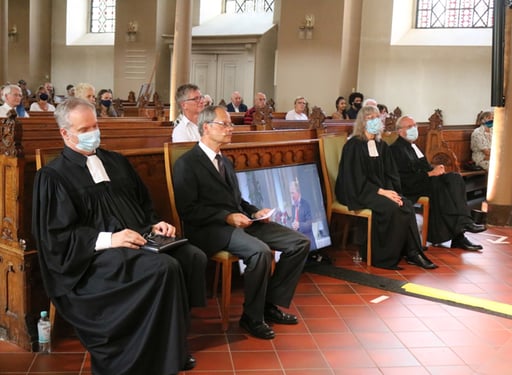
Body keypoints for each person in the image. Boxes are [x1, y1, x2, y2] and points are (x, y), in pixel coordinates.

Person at [31, 97, 207, 374]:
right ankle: (153, 353)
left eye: (95, 126)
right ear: (65, 133)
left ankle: (172, 345)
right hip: (90, 258)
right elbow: (56, 238)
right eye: (85, 129)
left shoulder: (115, 162)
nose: (94, 134)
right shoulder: (53, 177)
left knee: (190, 256)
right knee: (164, 268)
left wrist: (154, 225)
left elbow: (141, 205)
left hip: (136, 239)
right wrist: (109, 240)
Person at [173, 105, 310, 340]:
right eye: (224, 124)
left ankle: (270, 304)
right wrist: (226, 217)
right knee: (260, 252)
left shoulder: (225, 161)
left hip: (240, 222)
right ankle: (252, 317)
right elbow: (188, 210)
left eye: (230, 124)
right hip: (210, 229)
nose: (230, 128)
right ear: (206, 127)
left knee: (299, 243)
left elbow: (237, 200)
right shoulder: (187, 163)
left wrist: (256, 212)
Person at [335, 105, 437, 270]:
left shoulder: (381, 145)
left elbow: (391, 174)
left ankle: (412, 252)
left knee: (405, 204)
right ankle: (383, 257)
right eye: (370, 118)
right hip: (356, 190)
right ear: (362, 122)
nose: (374, 121)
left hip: (379, 190)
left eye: (377, 117)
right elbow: (354, 178)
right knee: (391, 207)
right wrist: (382, 192)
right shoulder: (353, 145)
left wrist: (392, 191)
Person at [390, 115, 486, 251]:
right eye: (410, 127)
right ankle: (460, 232)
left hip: (425, 181)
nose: (414, 129)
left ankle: (464, 225)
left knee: (455, 178)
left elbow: (424, 166)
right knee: (442, 188)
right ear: (400, 131)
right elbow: (402, 178)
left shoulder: (414, 147)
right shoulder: (395, 149)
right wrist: (429, 174)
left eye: (415, 126)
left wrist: (436, 169)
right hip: (411, 186)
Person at [289, 180, 317, 249]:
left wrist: (299, 225)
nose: (291, 196)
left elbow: (309, 224)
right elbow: (293, 221)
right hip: (299, 243)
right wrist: (292, 224)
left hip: (308, 243)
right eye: (290, 193)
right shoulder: (293, 207)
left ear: (298, 192)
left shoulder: (306, 204)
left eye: (293, 193)